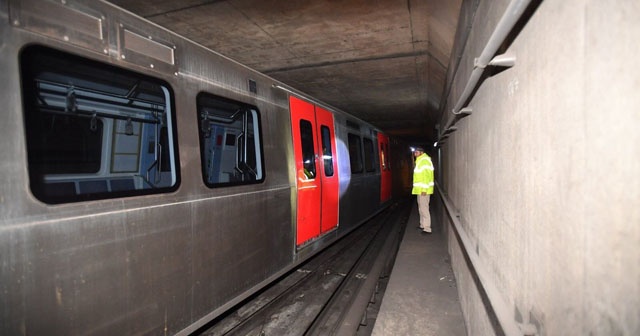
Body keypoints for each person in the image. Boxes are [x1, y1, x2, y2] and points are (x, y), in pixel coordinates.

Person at [412, 146, 435, 233]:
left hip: (423, 190)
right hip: (420, 190)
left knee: (424, 208)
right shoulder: (420, 160)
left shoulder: (424, 161)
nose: (415, 154)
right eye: (415, 152)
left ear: (421, 152)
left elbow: (426, 177)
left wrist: (424, 189)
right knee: (421, 208)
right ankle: (422, 225)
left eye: (416, 152)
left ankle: (427, 228)